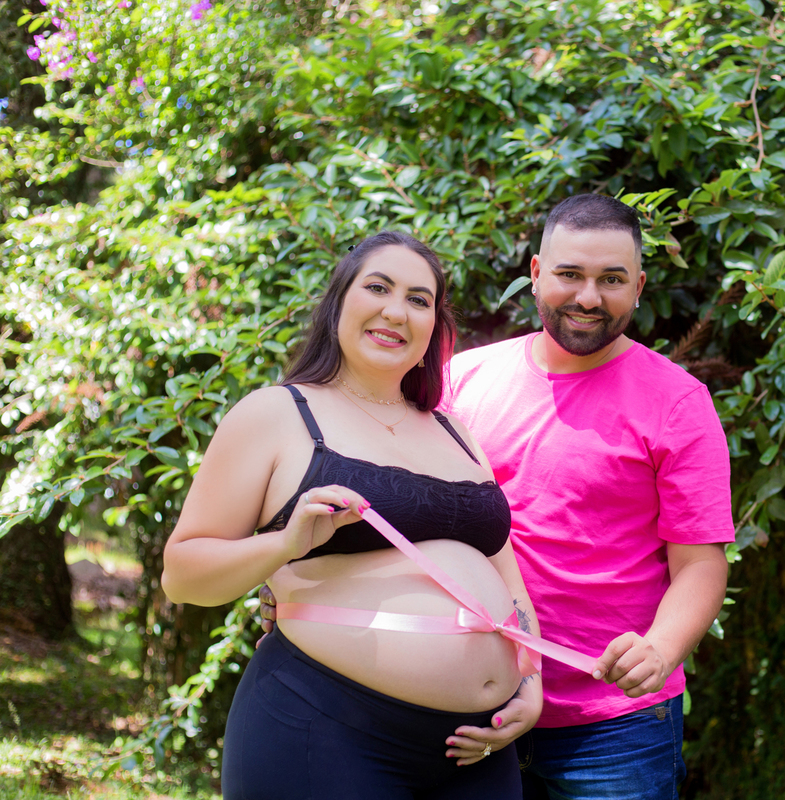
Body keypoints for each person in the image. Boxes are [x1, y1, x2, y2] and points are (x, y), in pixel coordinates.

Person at [261, 194, 734, 798]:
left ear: (639, 286)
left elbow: (700, 562)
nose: (589, 297)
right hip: (461, 719)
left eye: (611, 279)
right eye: (570, 274)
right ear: (536, 274)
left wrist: (662, 650)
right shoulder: (460, 382)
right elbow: (385, 510)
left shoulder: (678, 403)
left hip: (613, 724)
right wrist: (302, 593)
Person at [161, 231, 540, 800]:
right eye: (378, 287)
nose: (396, 310)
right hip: (327, 728)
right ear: (339, 299)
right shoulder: (275, 414)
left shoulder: (455, 430)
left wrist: (531, 680)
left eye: (419, 299)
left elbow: (505, 576)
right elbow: (183, 575)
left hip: (478, 750)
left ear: (435, 324)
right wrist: (283, 545)